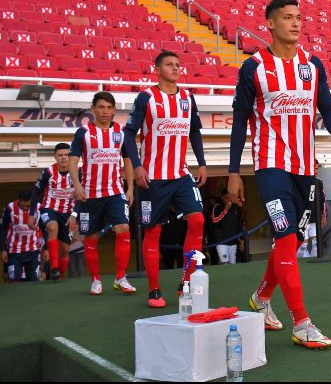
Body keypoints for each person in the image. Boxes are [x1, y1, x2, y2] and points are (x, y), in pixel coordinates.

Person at [228, 0, 331, 349]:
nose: (296, 23)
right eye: (287, 18)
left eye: (299, 17)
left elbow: (327, 108)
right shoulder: (253, 68)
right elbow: (239, 122)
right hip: (270, 166)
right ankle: (302, 323)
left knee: (294, 240)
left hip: (304, 169)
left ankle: (262, 297)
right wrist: (235, 171)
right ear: (270, 23)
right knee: (285, 237)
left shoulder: (313, 65)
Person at [124, 50, 208, 308]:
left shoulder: (187, 98)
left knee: (198, 220)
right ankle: (154, 290)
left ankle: (186, 284)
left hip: (181, 174)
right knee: (153, 232)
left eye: (178, 64)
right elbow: (128, 135)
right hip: (152, 177)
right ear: (157, 70)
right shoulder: (146, 98)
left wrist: (202, 163)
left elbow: (194, 132)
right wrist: (137, 167)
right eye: (169, 64)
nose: (175, 68)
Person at [68, 91, 136, 296]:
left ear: (114, 110)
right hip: (90, 194)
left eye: (109, 108)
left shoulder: (121, 132)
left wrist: (130, 187)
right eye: (101, 107)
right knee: (91, 237)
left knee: (123, 227)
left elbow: (128, 160)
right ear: (93, 109)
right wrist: (77, 185)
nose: (105, 111)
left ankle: (121, 278)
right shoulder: (83, 133)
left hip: (115, 192)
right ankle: (96, 280)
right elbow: (73, 160)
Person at [29, 142, 75, 281]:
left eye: (66, 155)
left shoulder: (78, 172)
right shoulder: (48, 172)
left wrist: (76, 215)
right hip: (49, 209)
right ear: (55, 157)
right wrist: (32, 214)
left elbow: (83, 194)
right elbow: (36, 191)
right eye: (60, 155)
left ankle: (60, 275)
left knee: (65, 250)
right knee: (52, 227)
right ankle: (54, 267)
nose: (64, 158)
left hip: (68, 213)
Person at [0, 190, 42, 282]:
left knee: (34, 281)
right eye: (23, 206)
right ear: (19, 200)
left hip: (33, 251)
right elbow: (2, 228)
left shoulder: (39, 207)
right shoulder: (10, 208)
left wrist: (46, 248)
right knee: (14, 281)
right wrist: (3, 249)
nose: (26, 208)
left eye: (28, 206)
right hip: (14, 252)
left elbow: (44, 227)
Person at [298, 159, 327, 259]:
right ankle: (301, 265)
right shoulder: (300, 181)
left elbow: (323, 200)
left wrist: (324, 216)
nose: (316, 170)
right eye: (314, 167)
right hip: (303, 218)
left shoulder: (319, 182)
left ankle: (315, 267)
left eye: (317, 168)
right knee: (303, 245)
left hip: (315, 217)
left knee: (316, 244)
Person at [211, 188, 244, 265]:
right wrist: (226, 209)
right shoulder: (218, 207)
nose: (229, 199)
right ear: (222, 197)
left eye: (230, 197)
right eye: (226, 197)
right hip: (222, 241)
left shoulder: (236, 208)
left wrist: (241, 240)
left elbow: (239, 224)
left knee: (233, 264)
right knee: (225, 263)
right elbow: (215, 220)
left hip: (233, 242)